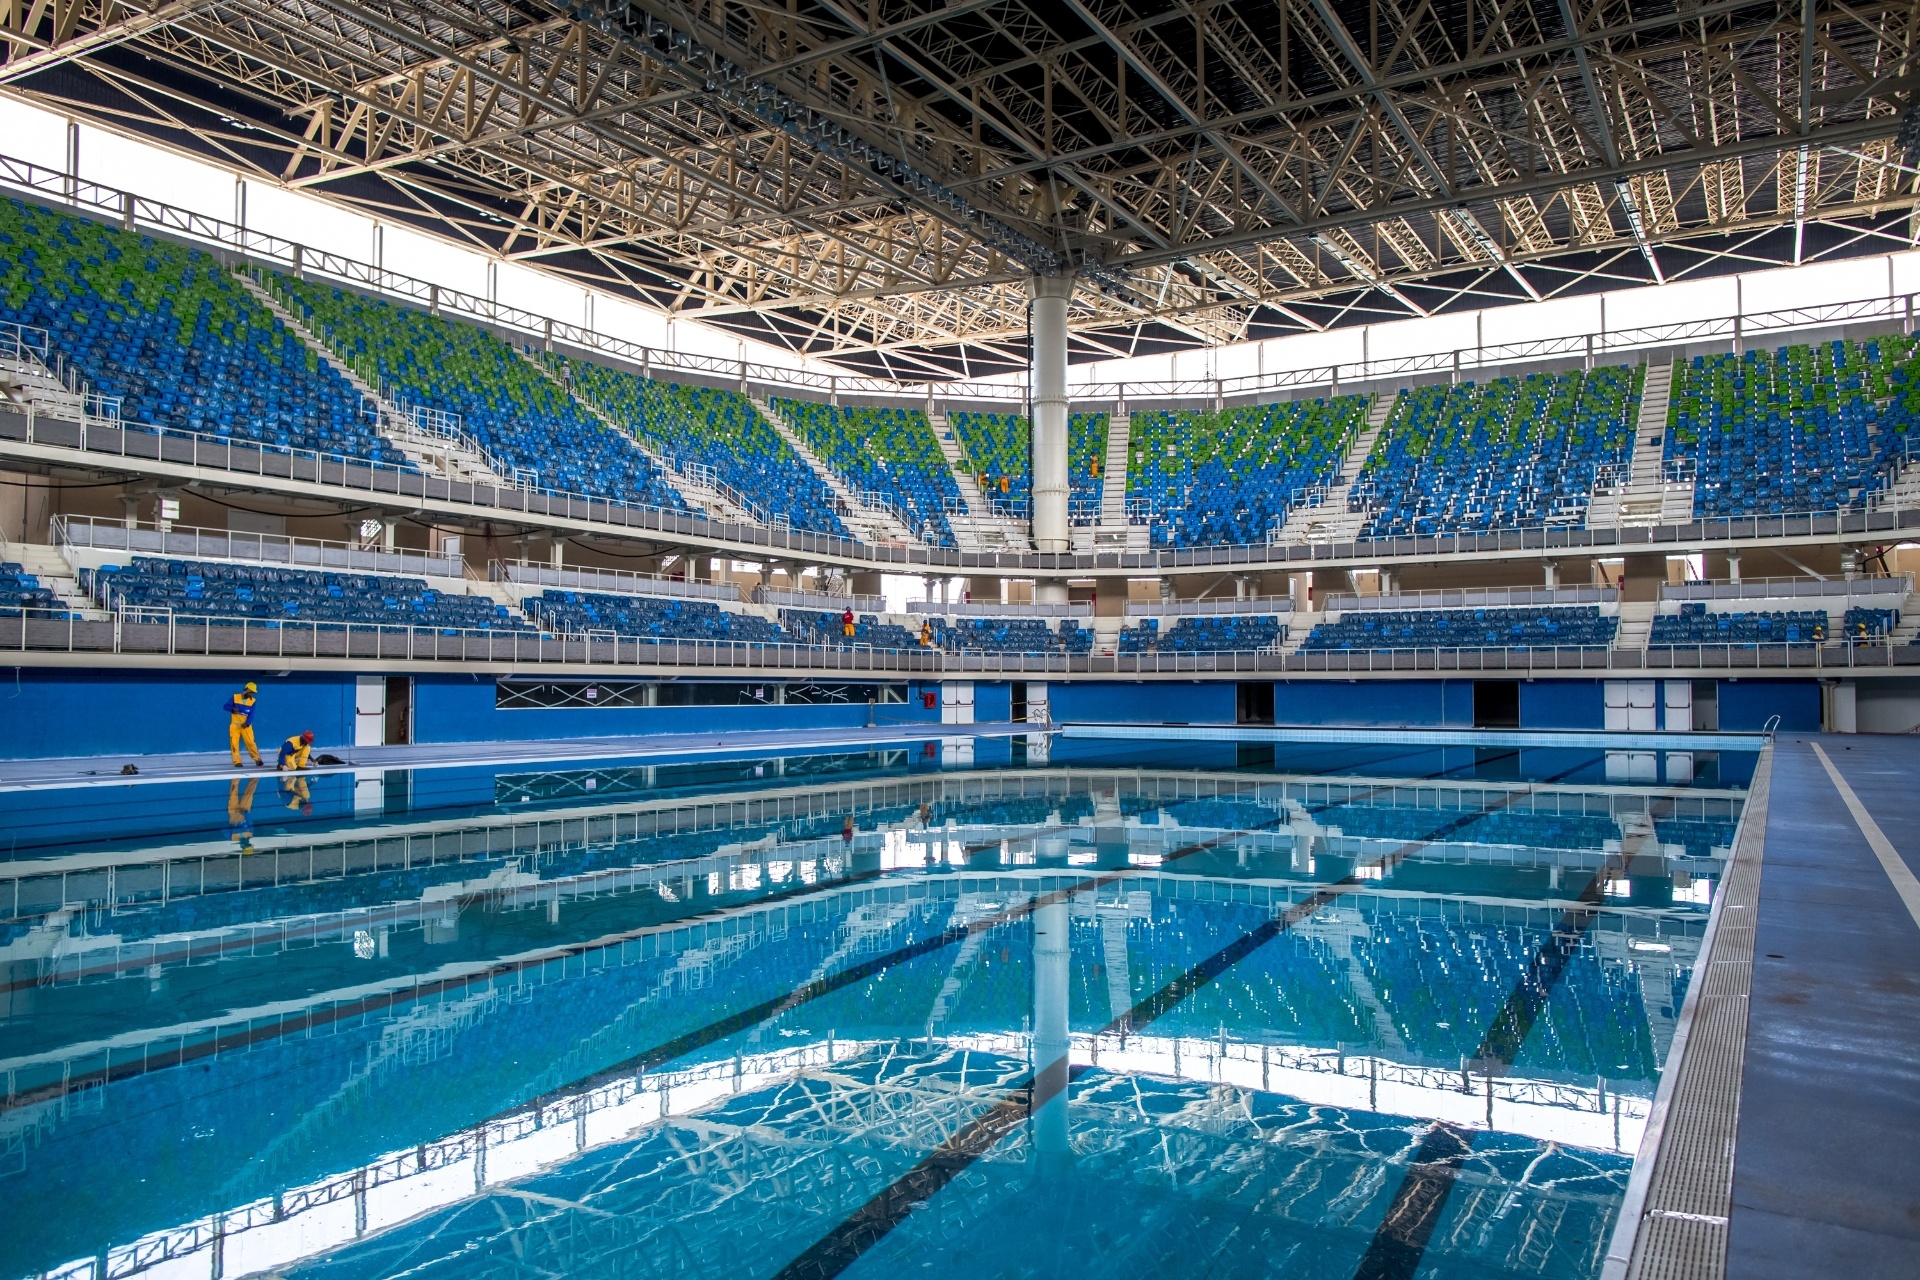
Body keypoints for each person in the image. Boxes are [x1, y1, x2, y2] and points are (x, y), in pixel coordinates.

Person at [225, 681, 263, 767]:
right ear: (246, 690)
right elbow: (225, 706)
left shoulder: (253, 701)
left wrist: (247, 723)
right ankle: (237, 761)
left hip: (246, 726)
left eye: (252, 693)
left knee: (250, 743)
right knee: (234, 743)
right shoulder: (235, 697)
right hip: (235, 725)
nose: (251, 694)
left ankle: (257, 759)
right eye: (250, 692)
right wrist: (232, 709)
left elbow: (252, 714)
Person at [226, 776, 258, 853]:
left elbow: (224, 829)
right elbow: (250, 822)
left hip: (233, 812)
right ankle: (254, 778)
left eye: (247, 845)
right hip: (244, 811)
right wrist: (245, 813)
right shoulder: (250, 834)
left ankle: (235, 779)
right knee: (249, 793)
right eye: (249, 844)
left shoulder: (232, 838)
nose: (248, 843)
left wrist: (234, 826)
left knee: (233, 794)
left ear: (242, 846)